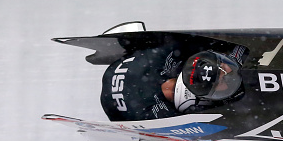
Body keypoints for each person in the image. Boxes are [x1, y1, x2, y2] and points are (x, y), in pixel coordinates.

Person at [101, 44, 245, 121]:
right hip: (117, 108)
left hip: (136, 67)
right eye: (221, 82)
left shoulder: (167, 52)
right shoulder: (158, 113)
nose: (229, 75)